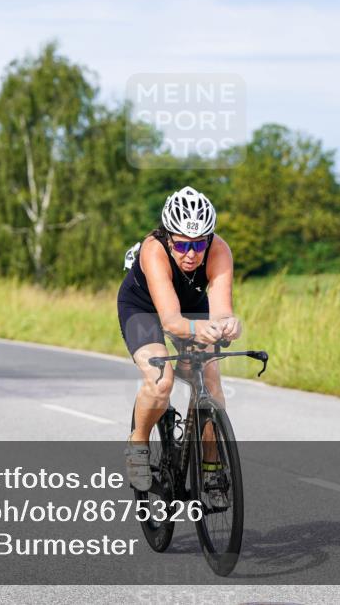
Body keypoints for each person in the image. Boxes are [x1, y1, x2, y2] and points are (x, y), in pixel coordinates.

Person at [117, 186, 242, 507]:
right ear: (169, 238)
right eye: (183, 244)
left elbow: (221, 310)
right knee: (161, 380)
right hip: (143, 309)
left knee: (211, 384)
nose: (191, 253)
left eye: (199, 244)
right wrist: (201, 329)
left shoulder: (219, 250)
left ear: (209, 240)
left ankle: (212, 471)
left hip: (191, 307)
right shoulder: (153, 249)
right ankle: (138, 444)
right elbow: (171, 321)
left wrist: (229, 324)